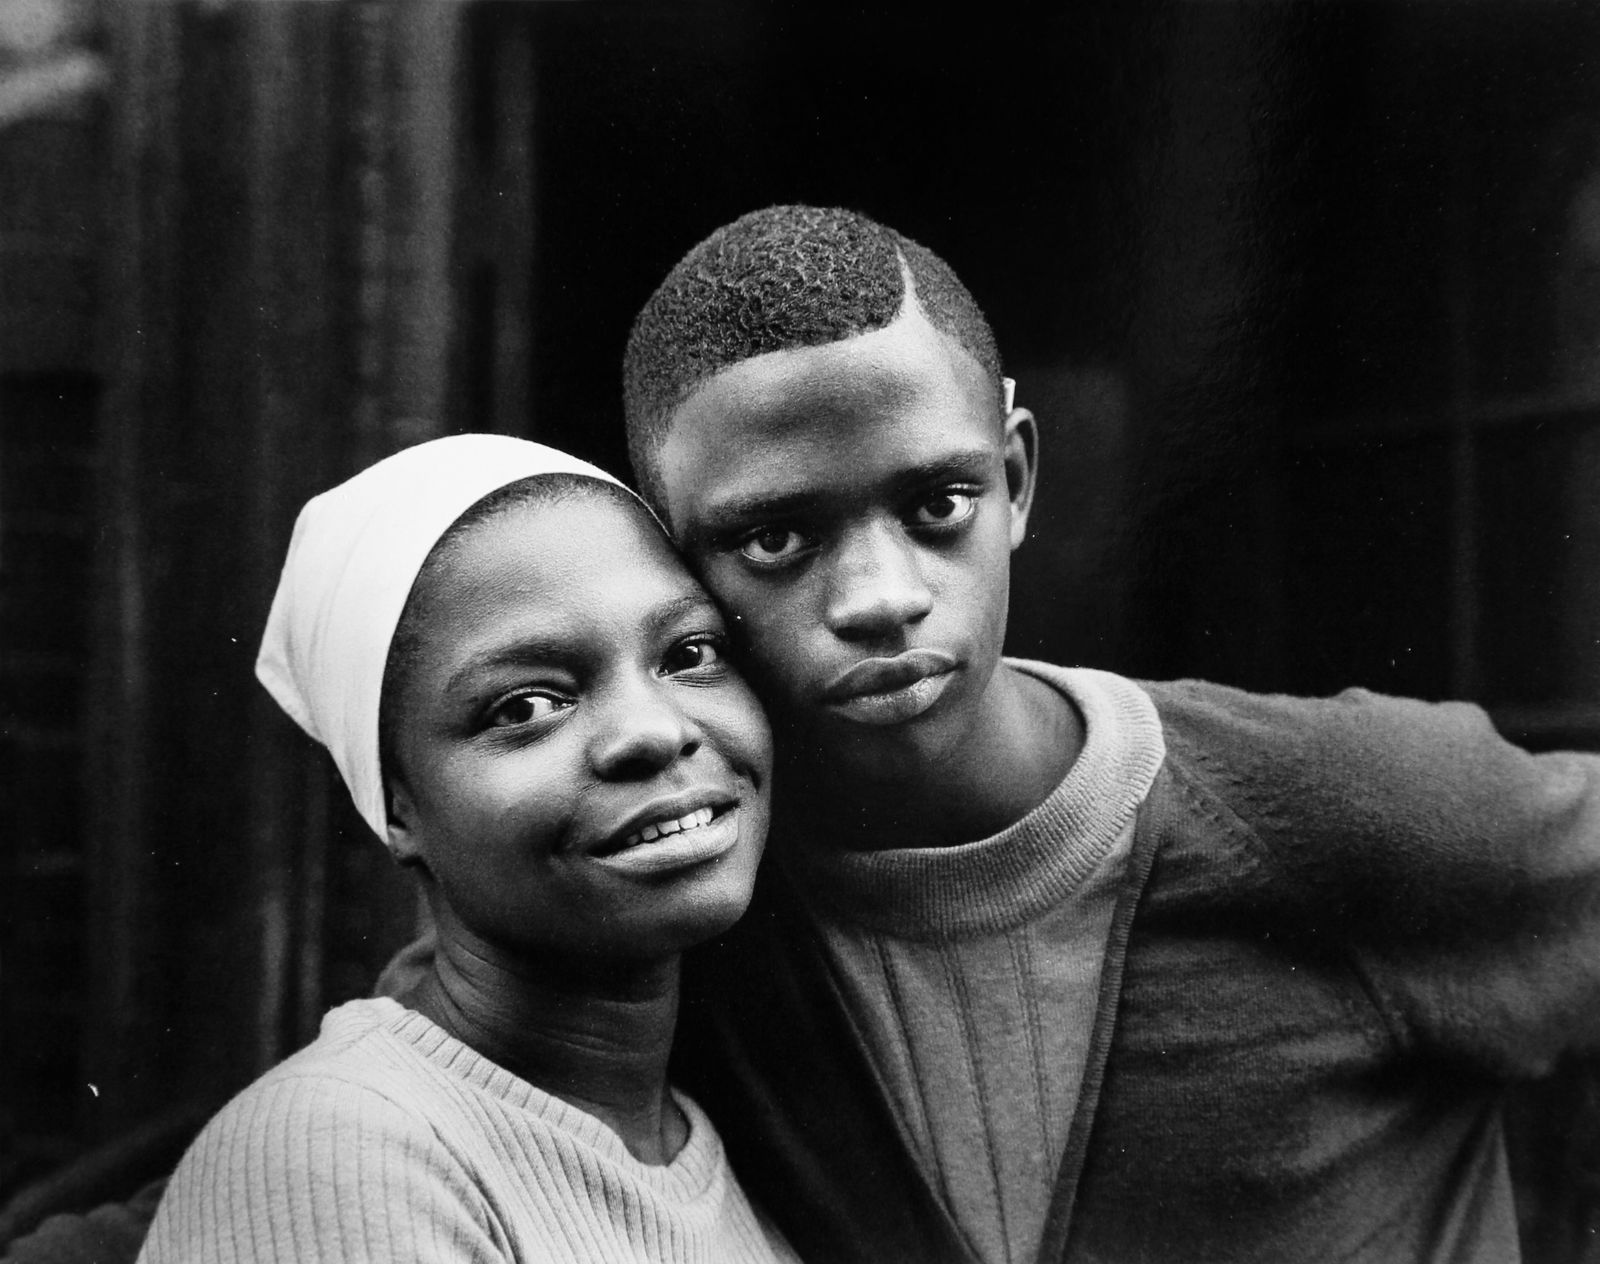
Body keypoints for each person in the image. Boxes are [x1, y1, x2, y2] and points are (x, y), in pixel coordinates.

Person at [614, 205, 1600, 1264]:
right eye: (774, 537)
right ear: (670, 565)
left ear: (1017, 479)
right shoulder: (675, 910)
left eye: (938, 502)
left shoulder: (1353, 805)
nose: (880, 596)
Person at [136, 435, 796, 1264]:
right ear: (396, 806)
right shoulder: (345, 1153)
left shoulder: (715, 1144)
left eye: (688, 655)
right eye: (524, 707)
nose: (656, 733)